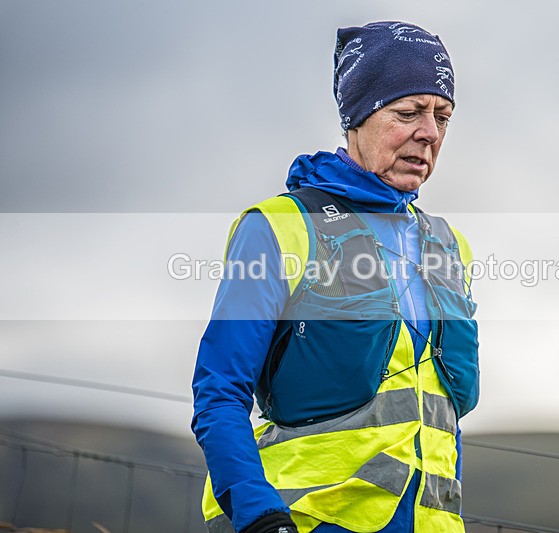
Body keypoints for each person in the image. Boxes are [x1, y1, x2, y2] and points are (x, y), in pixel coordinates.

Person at [192, 21, 479, 533]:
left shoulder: (450, 248)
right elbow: (219, 393)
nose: (430, 133)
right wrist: (259, 515)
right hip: (302, 521)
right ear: (358, 117)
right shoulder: (278, 228)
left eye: (443, 116)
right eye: (408, 112)